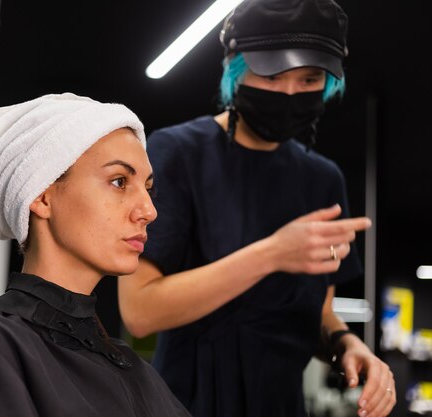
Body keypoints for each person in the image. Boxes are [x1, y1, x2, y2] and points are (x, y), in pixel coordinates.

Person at [118, 0, 396, 416]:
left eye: (309, 78)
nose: (289, 92)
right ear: (236, 68)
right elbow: (140, 311)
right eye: (271, 74)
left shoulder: (323, 181)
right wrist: (272, 253)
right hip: (186, 404)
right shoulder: (177, 153)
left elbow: (317, 315)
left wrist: (345, 344)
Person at [0, 93, 192, 417]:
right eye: (118, 181)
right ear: (42, 196)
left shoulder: (133, 368)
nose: (148, 210)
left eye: (148, 188)